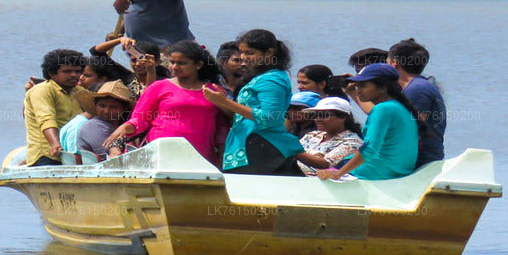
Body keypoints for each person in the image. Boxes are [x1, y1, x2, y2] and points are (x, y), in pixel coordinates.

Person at [104, 40, 230, 165]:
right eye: (172, 62)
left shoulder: (214, 91)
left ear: (198, 65)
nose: (174, 67)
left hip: (200, 155)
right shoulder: (159, 86)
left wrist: (221, 157)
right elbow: (140, 119)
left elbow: (222, 127)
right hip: (161, 153)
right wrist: (126, 127)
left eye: (181, 63)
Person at [202, 29, 304, 175]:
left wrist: (225, 102)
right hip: (247, 144)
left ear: (269, 53)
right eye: (242, 52)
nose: (244, 58)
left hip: (263, 146)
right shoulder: (260, 77)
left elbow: (269, 117)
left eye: (250, 53)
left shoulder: (272, 80)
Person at [318, 64, 421, 181]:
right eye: (357, 86)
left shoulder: (382, 109)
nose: (358, 91)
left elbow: (370, 149)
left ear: (382, 88)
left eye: (363, 86)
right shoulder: (399, 107)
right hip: (399, 170)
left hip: (377, 173)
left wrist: (339, 174)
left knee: (316, 171)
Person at [388, 38, 446, 167]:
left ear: (394, 63)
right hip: (421, 158)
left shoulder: (416, 89)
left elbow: (413, 128)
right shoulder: (421, 85)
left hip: (421, 161)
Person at [23, 49, 86, 166]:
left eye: (77, 71)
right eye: (67, 71)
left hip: (72, 155)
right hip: (47, 155)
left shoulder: (80, 92)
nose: (74, 75)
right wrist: (55, 144)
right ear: (52, 73)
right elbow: (46, 119)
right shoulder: (42, 90)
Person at [295, 97, 363, 176]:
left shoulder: (353, 142)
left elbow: (324, 164)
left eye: (324, 115)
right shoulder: (312, 135)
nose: (318, 119)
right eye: (315, 115)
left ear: (342, 117)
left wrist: (291, 151)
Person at [75, 81, 134, 161]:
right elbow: (112, 157)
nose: (106, 111)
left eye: (113, 107)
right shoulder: (94, 126)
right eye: (102, 106)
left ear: (124, 109)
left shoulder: (122, 126)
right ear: (95, 105)